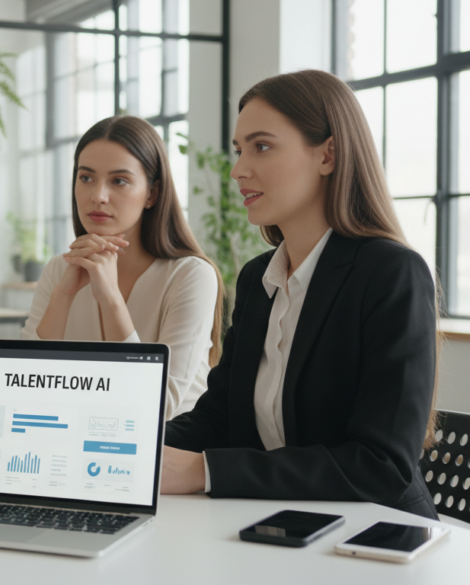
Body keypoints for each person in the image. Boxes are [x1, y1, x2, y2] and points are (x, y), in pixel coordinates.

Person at [160, 69, 439, 520]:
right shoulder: (258, 279)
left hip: (376, 533)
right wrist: (130, 446)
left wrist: (203, 470)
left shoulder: (391, 274)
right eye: (239, 150)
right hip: (279, 523)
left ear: (328, 155)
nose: (238, 170)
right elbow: (219, 418)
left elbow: (380, 467)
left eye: (262, 146)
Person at [21, 116, 224, 419]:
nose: (97, 196)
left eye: (119, 181)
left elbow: (161, 405)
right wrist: (63, 295)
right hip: (85, 435)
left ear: (152, 194)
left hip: (170, 442)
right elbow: (22, 384)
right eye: (86, 178)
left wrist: (111, 298)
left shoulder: (190, 275)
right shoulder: (58, 270)